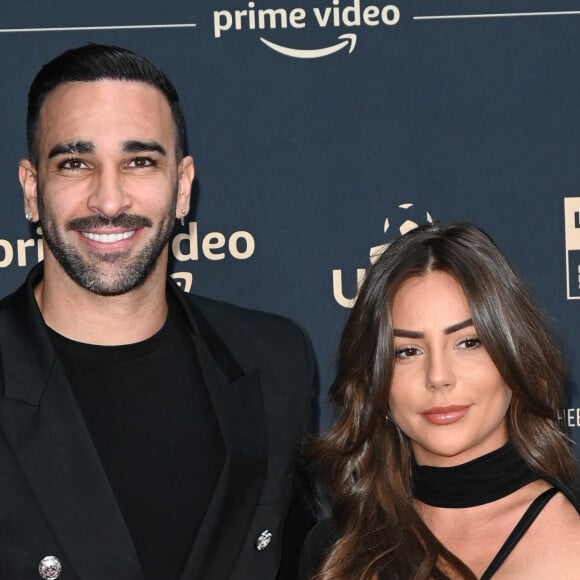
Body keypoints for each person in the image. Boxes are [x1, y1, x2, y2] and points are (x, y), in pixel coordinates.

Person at [0, 44, 316, 580]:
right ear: (32, 189)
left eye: (139, 161)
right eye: (75, 163)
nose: (108, 199)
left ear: (183, 186)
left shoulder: (274, 361)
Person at [299, 222, 580, 579]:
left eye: (468, 343)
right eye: (407, 351)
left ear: (516, 357)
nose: (438, 377)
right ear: (375, 380)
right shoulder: (336, 550)